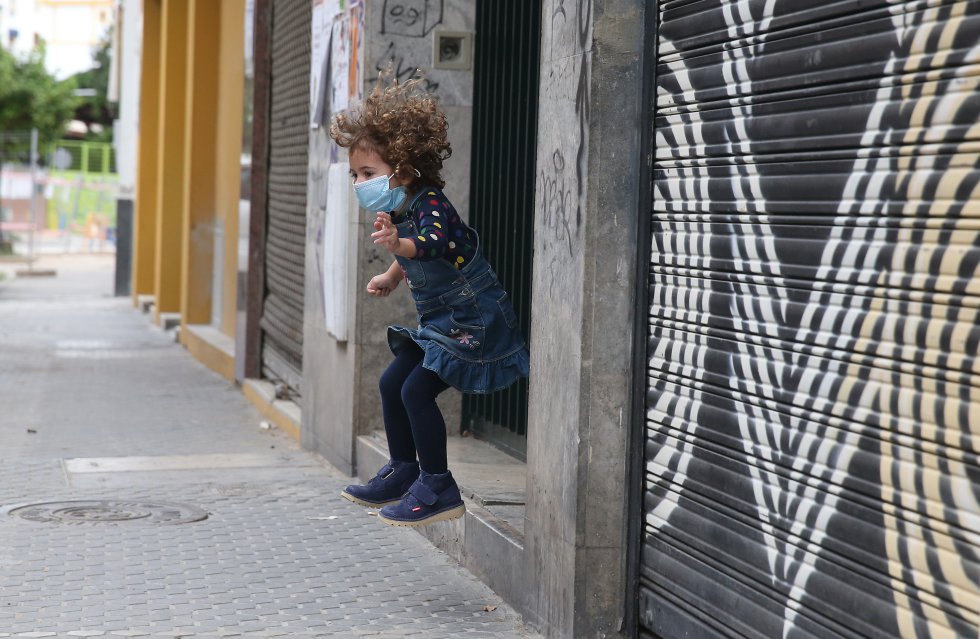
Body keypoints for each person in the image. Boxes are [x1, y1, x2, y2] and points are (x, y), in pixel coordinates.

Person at [329, 77, 529, 527]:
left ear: (402, 168)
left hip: (474, 321)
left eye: (367, 173)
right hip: (442, 320)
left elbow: (435, 243)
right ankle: (404, 470)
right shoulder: (402, 211)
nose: (359, 183)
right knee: (390, 384)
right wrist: (391, 274)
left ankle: (438, 485)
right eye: (355, 175)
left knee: (415, 391)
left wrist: (399, 247)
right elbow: (416, 249)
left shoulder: (431, 203)